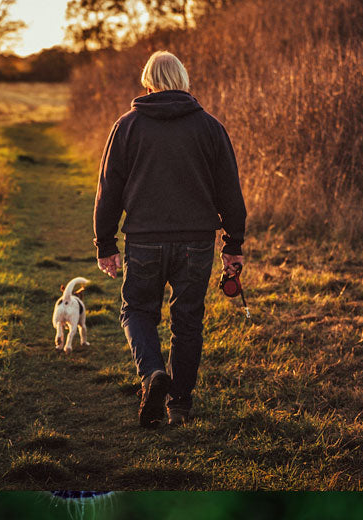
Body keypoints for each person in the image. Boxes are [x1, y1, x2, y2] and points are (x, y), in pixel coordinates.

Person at [93, 50, 247, 427]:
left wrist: (106, 243)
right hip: (197, 242)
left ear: (147, 81)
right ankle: (179, 405)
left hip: (144, 240)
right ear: (183, 80)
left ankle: (151, 375)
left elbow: (109, 188)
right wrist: (233, 244)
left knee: (137, 311)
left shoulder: (127, 126)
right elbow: (230, 190)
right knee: (187, 321)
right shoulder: (210, 127)